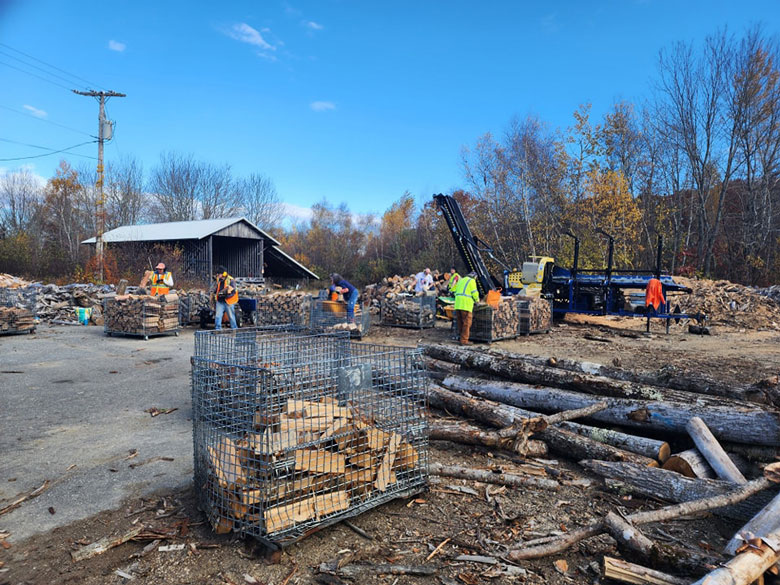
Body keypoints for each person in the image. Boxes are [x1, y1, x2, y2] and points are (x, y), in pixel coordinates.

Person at [453, 271, 480, 345]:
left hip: (458, 304)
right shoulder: (472, 281)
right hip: (466, 305)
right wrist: (477, 301)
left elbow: (455, 291)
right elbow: (474, 292)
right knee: (467, 323)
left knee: (460, 322)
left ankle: (461, 338)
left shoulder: (461, 280)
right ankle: (464, 341)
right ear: (474, 277)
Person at [214, 266, 238, 330]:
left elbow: (233, 291)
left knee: (231, 317)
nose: (217, 275)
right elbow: (217, 289)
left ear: (224, 273)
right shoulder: (218, 280)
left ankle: (234, 329)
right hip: (220, 301)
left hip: (228, 301)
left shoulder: (231, 280)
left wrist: (226, 294)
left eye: (219, 274)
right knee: (218, 316)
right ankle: (218, 329)